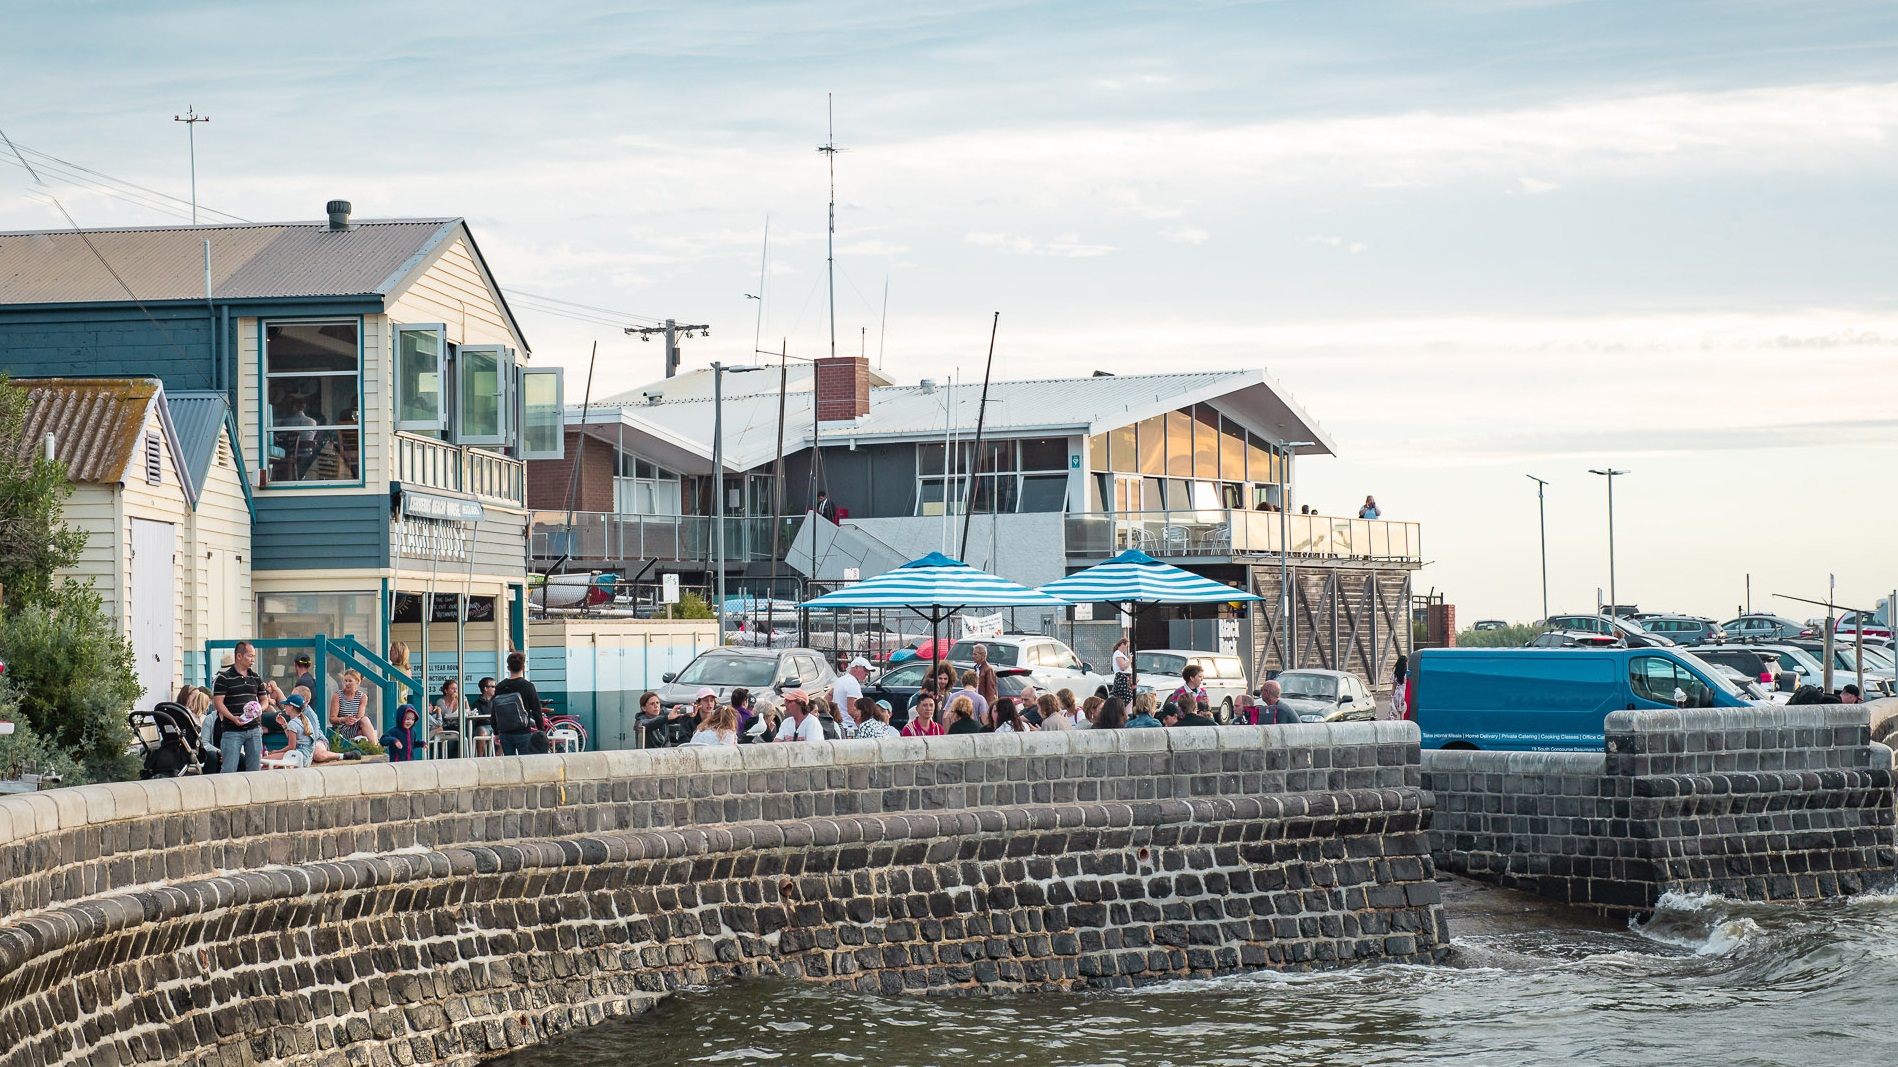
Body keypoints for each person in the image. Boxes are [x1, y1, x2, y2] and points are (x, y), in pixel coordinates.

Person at [213, 640, 265, 773]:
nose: (253, 660)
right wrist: (232, 718)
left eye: (254, 656)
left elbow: (264, 699)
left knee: (255, 769)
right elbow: (218, 703)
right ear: (239, 656)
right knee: (229, 768)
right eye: (250, 656)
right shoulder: (224, 678)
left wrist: (259, 709)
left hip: (254, 729)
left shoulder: (256, 678)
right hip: (232, 730)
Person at [491, 650, 547, 756]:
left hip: (505, 732)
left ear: (508, 668)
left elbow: (494, 711)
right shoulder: (528, 686)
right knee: (526, 761)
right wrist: (541, 730)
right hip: (523, 731)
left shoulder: (500, 687)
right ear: (523, 667)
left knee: (509, 761)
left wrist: (496, 731)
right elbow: (536, 710)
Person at [328, 670, 375, 745]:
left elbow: (360, 716)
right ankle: (375, 747)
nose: (347, 684)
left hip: (355, 725)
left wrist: (353, 720)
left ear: (357, 681)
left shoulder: (362, 696)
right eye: (345, 681)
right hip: (342, 728)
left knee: (364, 721)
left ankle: (374, 747)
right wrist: (344, 719)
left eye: (350, 681)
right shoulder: (337, 696)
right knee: (365, 727)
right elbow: (332, 718)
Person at [831, 657, 871, 729]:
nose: (867, 673)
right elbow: (851, 710)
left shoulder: (840, 680)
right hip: (850, 726)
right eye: (865, 670)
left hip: (839, 724)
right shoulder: (853, 683)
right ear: (856, 667)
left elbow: (829, 695)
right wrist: (864, 725)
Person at [432, 679, 466, 757]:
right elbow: (446, 715)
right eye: (452, 688)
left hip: (458, 726)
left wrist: (466, 702)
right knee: (451, 741)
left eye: (456, 688)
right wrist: (452, 701)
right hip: (445, 727)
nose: (455, 691)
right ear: (446, 691)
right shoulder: (440, 702)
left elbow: (468, 712)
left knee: (463, 732)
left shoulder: (460, 700)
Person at [1384, 655, 1409, 721]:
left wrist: (1391, 696)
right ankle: (1402, 724)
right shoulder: (1406, 674)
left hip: (1396, 695)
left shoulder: (1395, 674)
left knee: (1394, 711)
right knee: (1402, 712)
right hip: (1403, 695)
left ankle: (1392, 723)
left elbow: (1394, 686)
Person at [1110, 638, 1134, 703]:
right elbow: (1122, 667)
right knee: (1127, 699)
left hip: (1125, 678)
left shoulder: (1120, 654)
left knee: (1127, 699)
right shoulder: (1118, 654)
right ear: (1123, 644)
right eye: (1127, 646)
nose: (1127, 648)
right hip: (1122, 679)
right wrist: (1130, 660)